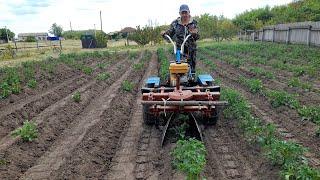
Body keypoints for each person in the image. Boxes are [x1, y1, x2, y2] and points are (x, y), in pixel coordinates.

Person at [161, 4, 200, 73]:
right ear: (180, 13)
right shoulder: (175, 23)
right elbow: (170, 33)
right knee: (179, 66)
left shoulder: (194, 23)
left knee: (192, 67)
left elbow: (197, 36)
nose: (184, 14)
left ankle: (192, 78)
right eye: (182, 13)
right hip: (179, 49)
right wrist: (164, 34)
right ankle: (179, 80)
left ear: (189, 12)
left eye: (186, 12)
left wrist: (195, 33)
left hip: (191, 49)